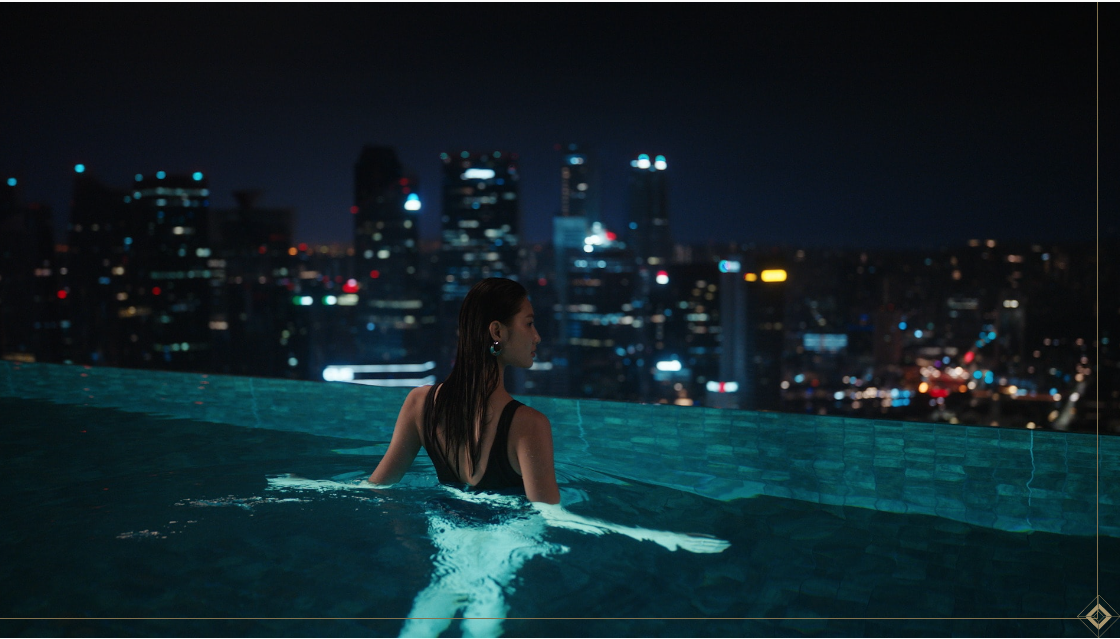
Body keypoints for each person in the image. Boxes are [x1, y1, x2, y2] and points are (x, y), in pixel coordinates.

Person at [368, 277, 561, 504]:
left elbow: (376, 490)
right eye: (529, 323)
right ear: (497, 332)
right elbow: (549, 520)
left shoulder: (419, 403)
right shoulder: (529, 426)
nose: (536, 336)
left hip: (441, 535)